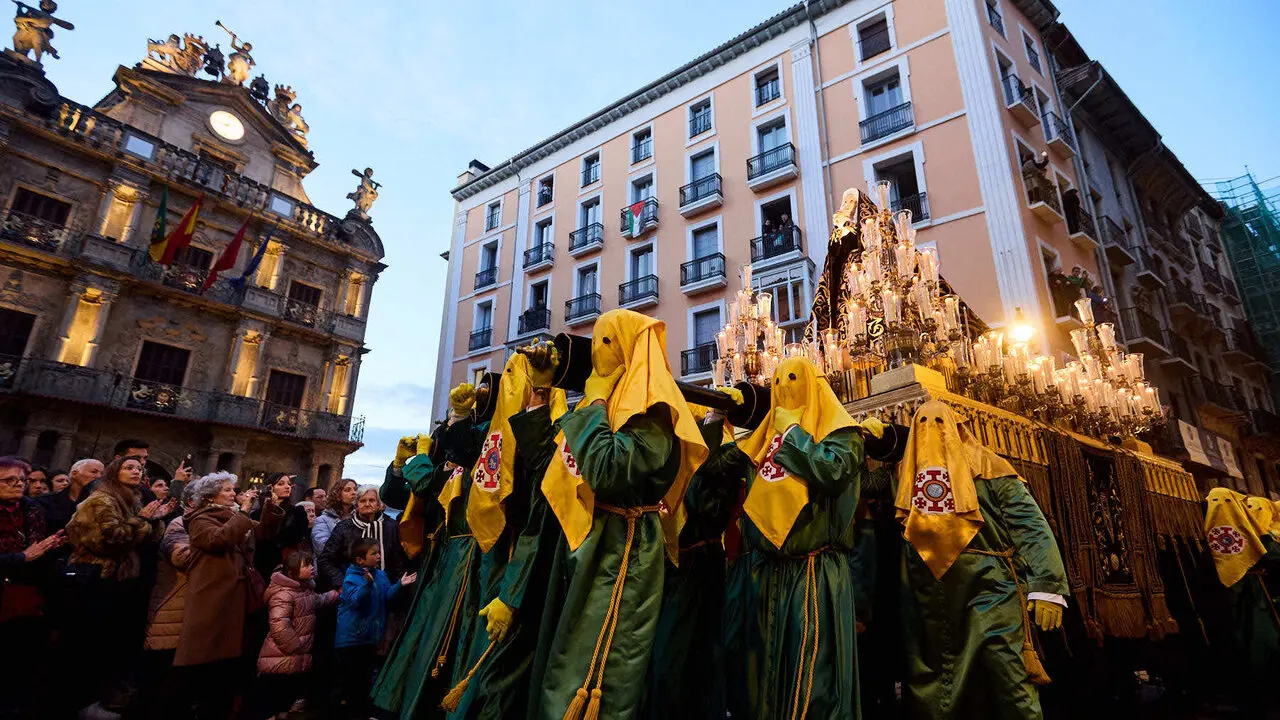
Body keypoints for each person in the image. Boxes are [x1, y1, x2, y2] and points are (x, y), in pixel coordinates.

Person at [537, 309, 708, 719]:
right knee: (565, 654)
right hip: (594, 546)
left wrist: (593, 400)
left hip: (623, 552)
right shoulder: (613, 403)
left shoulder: (654, 411)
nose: (597, 352)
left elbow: (607, 468)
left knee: (597, 667)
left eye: (606, 341)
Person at [895, 401, 1067, 720]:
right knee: (940, 685)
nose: (931, 430)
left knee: (1008, 676)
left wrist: (1047, 584)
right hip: (929, 600)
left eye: (939, 422)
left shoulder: (991, 468)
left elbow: (1030, 526)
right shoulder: (906, 474)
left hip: (991, 592)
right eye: (923, 424)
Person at [733, 356, 863, 718]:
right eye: (776, 382)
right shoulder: (765, 439)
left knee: (813, 681)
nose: (783, 388)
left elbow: (832, 471)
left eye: (792, 379)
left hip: (814, 573)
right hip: (769, 574)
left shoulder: (843, 435)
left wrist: (793, 434)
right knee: (766, 679)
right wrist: (716, 420)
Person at [443, 353, 570, 717]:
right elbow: (465, 452)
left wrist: (512, 592)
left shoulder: (556, 432)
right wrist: (460, 416)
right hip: (493, 557)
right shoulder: (496, 432)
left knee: (509, 662)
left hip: (527, 563)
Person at [372, 384, 485, 719]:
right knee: (418, 638)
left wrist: (419, 461)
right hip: (434, 560)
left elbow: (427, 483)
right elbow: (395, 497)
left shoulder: (466, 463)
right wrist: (398, 466)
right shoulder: (442, 465)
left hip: (455, 558)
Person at [645, 401, 747, 720]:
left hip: (699, 561)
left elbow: (707, 501)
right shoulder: (672, 450)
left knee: (695, 656)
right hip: (673, 562)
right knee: (671, 656)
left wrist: (714, 428)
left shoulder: (723, 456)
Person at [64, 455, 175, 714]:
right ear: (115, 473)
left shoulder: (133, 501)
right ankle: (78, 702)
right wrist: (144, 521)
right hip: (96, 581)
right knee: (89, 647)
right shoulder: (101, 500)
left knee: (113, 647)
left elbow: (148, 539)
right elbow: (107, 540)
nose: (136, 471)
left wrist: (156, 519)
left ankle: (101, 701)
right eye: (129, 467)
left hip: (121, 583)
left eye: (139, 468)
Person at [176, 471, 283, 719]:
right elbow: (220, 539)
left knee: (230, 660)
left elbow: (263, 533)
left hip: (237, 595)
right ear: (210, 495)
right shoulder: (200, 519)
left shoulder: (234, 516)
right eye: (227, 490)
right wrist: (244, 512)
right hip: (214, 595)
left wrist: (270, 507)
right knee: (209, 657)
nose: (233, 494)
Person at [0, 456, 65, 719]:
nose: (18, 485)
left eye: (21, 480)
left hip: (28, 600)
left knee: (19, 664)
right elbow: (28, 554)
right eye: (8, 480)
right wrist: (23, 558)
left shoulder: (33, 510)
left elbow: (38, 552)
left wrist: (50, 549)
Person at [336, 538, 417, 717]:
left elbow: (386, 597)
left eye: (378, 552)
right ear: (360, 560)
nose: (379, 556)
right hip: (351, 640)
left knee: (366, 680)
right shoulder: (351, 578)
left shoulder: (379, 574)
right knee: (353, 682)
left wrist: (399, 585)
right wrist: (367, 584)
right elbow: (356, 601)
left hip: (370, 637)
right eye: (374, 553)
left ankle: (366, 713)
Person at [137, 481, 197, 718]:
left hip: (190, 612)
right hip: (171, 608)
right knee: (162, 679)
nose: (232, 496)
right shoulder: (178, 524)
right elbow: (183, 558)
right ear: (193, 502)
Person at [256, 551, 340, 719]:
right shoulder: (283, 594)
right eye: (306, 565)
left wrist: (336, 594)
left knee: (285, 701)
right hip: (280, 656)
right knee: (275, 699)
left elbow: (318, 600)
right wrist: (295, 647)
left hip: (294, 656)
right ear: (292, 572)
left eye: (311, 564)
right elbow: (279, 626)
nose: (311, 568)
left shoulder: (305, 590)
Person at [318, 485, 408, 594]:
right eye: (362, 501)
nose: (367, 504)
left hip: (386, 590)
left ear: (379, 504)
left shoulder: (391, 526)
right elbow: (326, 560)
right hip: (352, 591)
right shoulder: (344, 527)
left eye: (372, 500)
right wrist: (342, 584)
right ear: (356, 505)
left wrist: (397, 587)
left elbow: (400, 560)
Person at [36, 458, 103, 533]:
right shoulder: (45, 501)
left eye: (102, 474)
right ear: (74, 474)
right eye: (94, 472)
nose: (99, 476)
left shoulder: (100, 505)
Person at [314, 478, 358, 559]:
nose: (354, 493)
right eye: (348, 490)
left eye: (355, 489)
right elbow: (322, 547)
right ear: (337, 494)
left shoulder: (359, 518)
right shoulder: (323, 520)